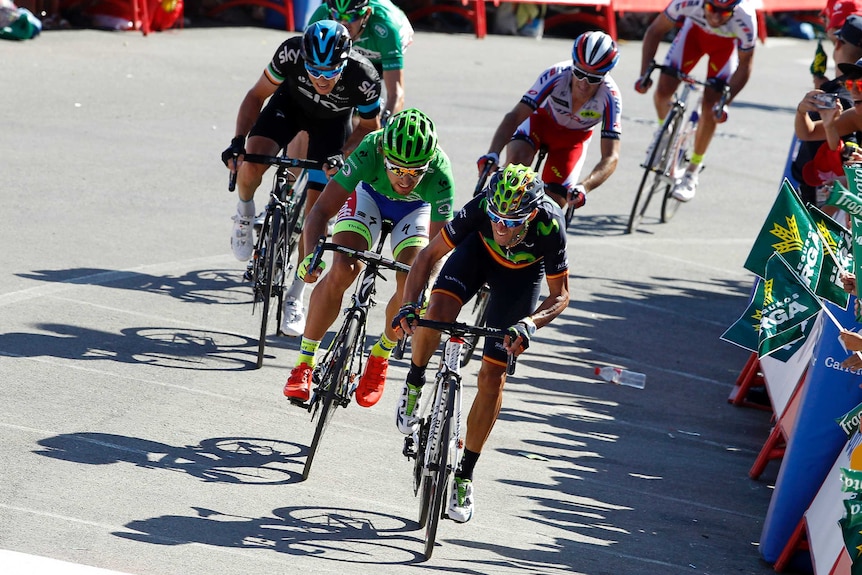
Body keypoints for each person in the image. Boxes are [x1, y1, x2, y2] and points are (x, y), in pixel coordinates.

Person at [392, 164, 569, 523]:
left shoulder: (550, 225)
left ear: (531, 214)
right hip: (476, 256)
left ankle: (464, 474)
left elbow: (560, 294)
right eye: (496, 217)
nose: (501, 226)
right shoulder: (481, 209)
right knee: (436, 311)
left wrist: (529, 324)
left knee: (492, 378)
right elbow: (427, 256)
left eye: (512, 221)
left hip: (519, 280)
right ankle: (414, 380)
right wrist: (409, 305)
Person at [283, 108, 455, 408]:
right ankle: (304, 362)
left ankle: (380, 355)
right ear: (383, 155)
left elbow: (438, 249)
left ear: (428, 165)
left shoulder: (441, 174)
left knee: (411, 287)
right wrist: (311, 256)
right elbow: (321, 212)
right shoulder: (369, 149)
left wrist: (422, 289)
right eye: (397, 169)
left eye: (415, 172)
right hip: (369, 197)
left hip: (414, 212)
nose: (405, 180)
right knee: (344, 268)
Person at [221, 21, 382, 336]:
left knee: (316, 215)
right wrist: (238, 141)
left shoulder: (364, 78)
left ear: (345, 61)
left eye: (329, 73)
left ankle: (297, 294)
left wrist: (343, 156)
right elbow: (256, 96)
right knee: (251, 161)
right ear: (304, 59)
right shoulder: (290, 53)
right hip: (288, 107)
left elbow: (368, 127)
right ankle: (244, 214)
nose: (321, 79)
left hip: (333, 126)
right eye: (314, 71)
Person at [477, 30, 621, 212]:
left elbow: (611, 156)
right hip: (540, 125)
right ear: (573, 64)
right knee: (514, 168)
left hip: (571, 142)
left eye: (593, 78)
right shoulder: (556, 74)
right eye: (579, 73)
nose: (583, 83)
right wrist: (493, 153)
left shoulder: (611, 97)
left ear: (606, 74)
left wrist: (585, 186)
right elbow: (515, 116)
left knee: (552, 206)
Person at [636, 0, 757, 203]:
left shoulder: (746, 17)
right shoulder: (687, 2)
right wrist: (643, 74)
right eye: (712, 9)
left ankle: (692, 171)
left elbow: (746, 65)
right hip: (692, 37)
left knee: (711, 107)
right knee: (664, 90)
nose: (717, 17)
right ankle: (663, 133)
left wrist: (725, 102)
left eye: (725, 13)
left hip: (725, 48)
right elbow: (654, 31)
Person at [793, 14, 862, 207]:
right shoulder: (856, 116)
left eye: (861, 85)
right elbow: (807, 132)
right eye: (850, 83)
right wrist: (802, 111)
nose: (854, 91)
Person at [309, 0, 413, 123]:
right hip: (354, 49)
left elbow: (396, 93)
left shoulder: (386, 28)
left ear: (367, 13)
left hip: (379, 54)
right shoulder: (322, 15)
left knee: (363, 98)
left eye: (351, 16)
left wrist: (386, 121)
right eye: (338, 16)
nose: (344, 23)